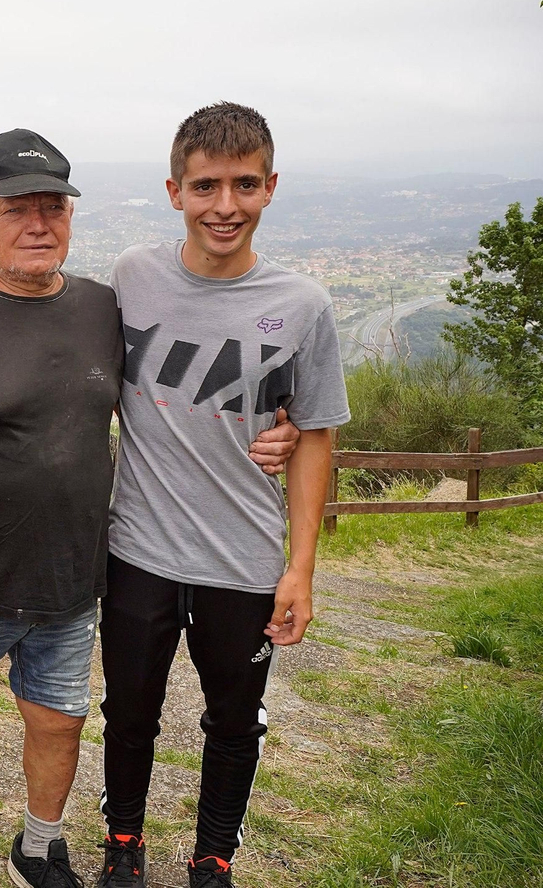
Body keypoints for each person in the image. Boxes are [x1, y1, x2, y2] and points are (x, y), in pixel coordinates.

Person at [0, 130, 299, 888]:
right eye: (16, 209)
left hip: (74, 582)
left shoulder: (104, 306)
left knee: (59, 722)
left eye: (53, 208)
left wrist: (284, 418)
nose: (38, 224)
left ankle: (40, 847)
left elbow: (190, 379)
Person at [94, 103, 349, 888]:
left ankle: (214, 859)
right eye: (206, 186)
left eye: (244, 185)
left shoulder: (304, 306)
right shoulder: (133, 276)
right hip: (137, 549)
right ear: (175, 191)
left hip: (242, 559)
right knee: (129, 716)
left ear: (271, 187)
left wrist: (299, 568)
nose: (225, 206)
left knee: (234, 723)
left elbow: (315, 439)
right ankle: (124, 845)